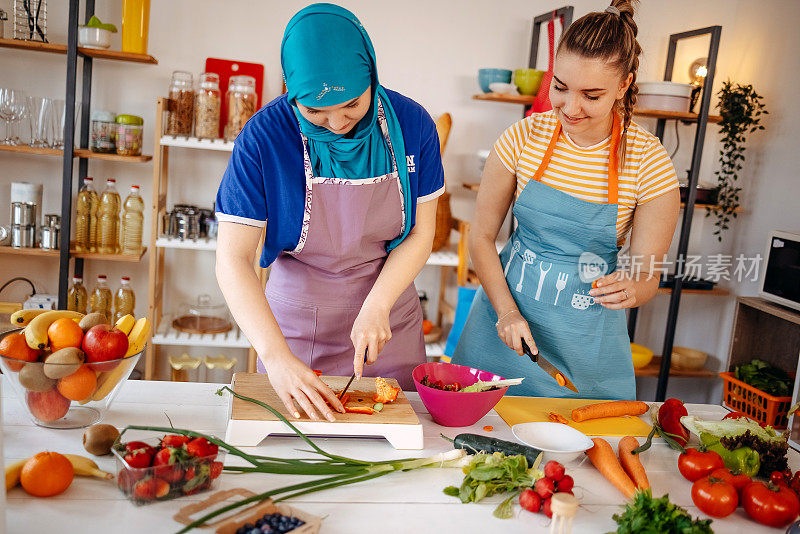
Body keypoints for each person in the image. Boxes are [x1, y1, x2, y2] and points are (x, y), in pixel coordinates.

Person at [215, 4, 444, 421]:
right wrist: (276, 357)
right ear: (290, 90)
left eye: (352, 105)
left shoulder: (413, 125)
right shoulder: (263, 138)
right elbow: (232, 258)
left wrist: (377, 306)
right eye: (315, 111)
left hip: (387, 317)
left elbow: (420, 234)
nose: (336, 122)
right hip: (295, 332)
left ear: (372, 73)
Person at [452, 0, 680, 400]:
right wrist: (506, 312)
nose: (570, 108)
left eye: (591, 95)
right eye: (560, 87)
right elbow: (482, 238)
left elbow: (647, 275)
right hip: (504, 327)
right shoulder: (523, 138)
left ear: (624, 85)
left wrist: (634, 288)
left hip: (584, 342)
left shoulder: (649, 162)